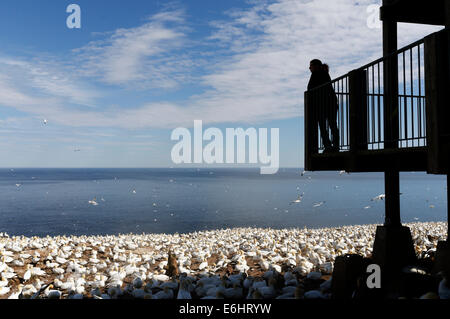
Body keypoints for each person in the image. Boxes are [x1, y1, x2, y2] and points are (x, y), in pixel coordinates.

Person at [307, 59, 339, 153]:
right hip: (331, 103)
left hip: (322, 105)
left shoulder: (316, 74)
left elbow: (310, 89)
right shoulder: (325, 73)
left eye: (311, 66)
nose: (309, 68)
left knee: (323, 127)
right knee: (332, 125)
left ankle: (328, 146)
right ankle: (335, 146)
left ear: (316, 66)